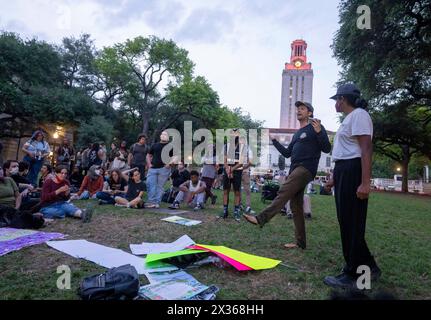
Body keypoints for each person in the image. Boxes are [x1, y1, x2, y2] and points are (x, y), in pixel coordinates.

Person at [243, 101, 331, 250]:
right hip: (295, 168)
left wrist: (319, 133)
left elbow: (327, 148)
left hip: (306, 168)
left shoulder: (316, 127)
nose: (298, 111)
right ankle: (300, 243)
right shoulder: (297, 133)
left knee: (284, 190)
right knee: (296, 207)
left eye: (302, 109)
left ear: (310, 113)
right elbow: (287, 153)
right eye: (297, 109)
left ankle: (261, 219)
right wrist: (275, 141)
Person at [323, 83, 381, 289]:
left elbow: (365, 150)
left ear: (343, 99)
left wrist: (366, 183)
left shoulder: (359, 115)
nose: (335, 103)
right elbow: (346, 152)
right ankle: (370, 269)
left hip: (353, 171)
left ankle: (355, 275)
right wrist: (335, 178)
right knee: (348, 223)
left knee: (352, 224)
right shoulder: (349, 119)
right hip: (344, 171)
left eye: (337, 99)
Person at [218, 129, 245, 222]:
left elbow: (241, 163)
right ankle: (225, 211)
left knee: (237, 192)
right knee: (226, 191)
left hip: (237, 171)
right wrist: (227, 169)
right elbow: (224, 160)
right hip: (227, 171)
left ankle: (236, 212)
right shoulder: (227, 146)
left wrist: (231, 170)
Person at [145, 131, 173, 208]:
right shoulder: (155, 145)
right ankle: (151, 201)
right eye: (163, 134)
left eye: (166, 135)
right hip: (153, 168)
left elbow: (175, 157)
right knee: (150, 184)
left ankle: (156, 202)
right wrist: (149, 164)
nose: (164, 136)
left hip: (164, 169)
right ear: (160, 136)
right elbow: (148, 155)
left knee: (159, 186)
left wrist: (169, 164)